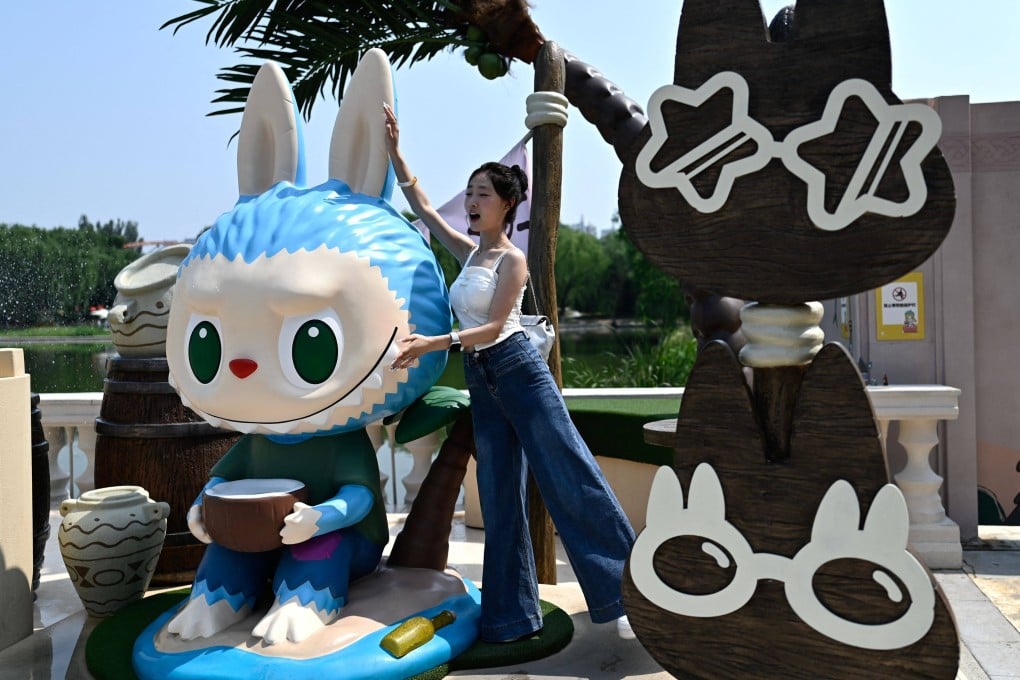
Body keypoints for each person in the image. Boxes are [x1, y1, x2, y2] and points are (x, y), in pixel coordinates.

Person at [382, 103, 637, 642]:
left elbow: (497, 327)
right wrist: (395, 152)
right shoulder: (468, 253)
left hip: (518, 370)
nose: (472, 203)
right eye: (470, 193)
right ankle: (510, 616)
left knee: (569, 475)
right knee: (498, 494)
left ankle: (631, 590)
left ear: (506, 206)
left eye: (483, 196)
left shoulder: (511, 261)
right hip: (482, 378)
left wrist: (435, 342)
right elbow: (425, 208)